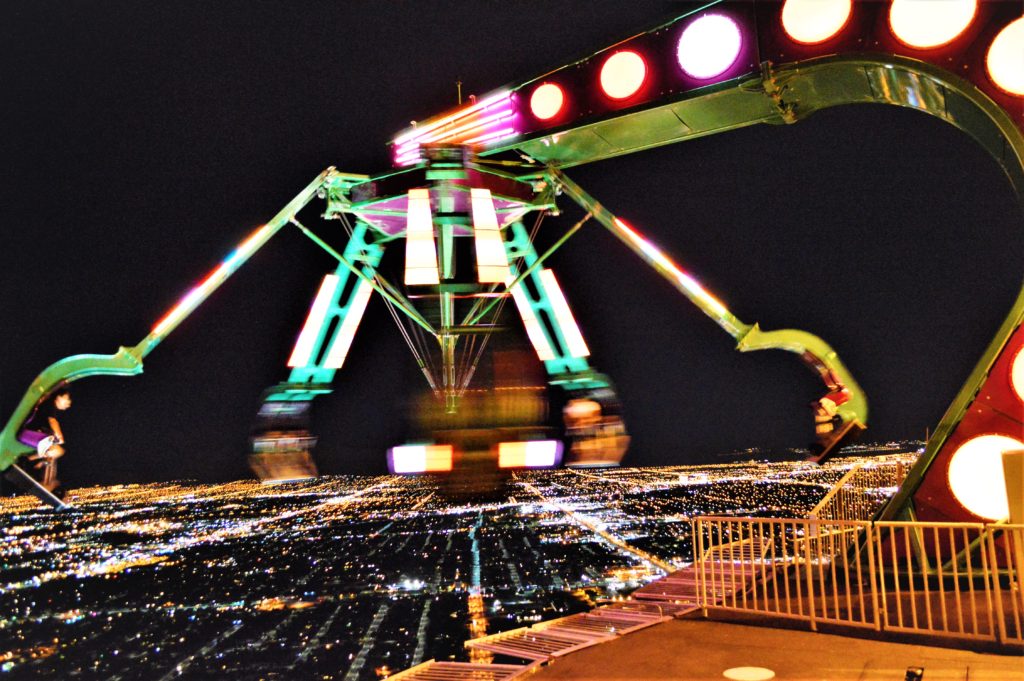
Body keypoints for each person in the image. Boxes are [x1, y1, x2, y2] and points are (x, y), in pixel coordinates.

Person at [15, 389, 71, 492]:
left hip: (29, 434)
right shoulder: (49, 404)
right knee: (57, 451)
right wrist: (59, 435)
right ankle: (46, 483)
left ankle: (27, 460)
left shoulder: (48, 406)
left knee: (54, 452)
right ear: (58, 397)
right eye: (67, 399)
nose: (69, 403)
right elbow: (52, 421)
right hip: (27, 433)